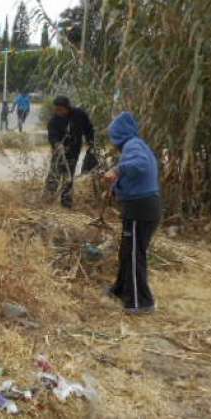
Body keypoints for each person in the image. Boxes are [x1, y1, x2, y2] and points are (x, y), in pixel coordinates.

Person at [104, 112, 162, 315]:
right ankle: (121, 290)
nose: (113, 142)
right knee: (127, 252)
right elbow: (138, 174)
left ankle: (141, 302)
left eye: (113, 136)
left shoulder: (133, 145)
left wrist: (118, 171)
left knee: (135, 255)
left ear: (119, 134)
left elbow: (141, 166)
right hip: (140, 207)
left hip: (141, 209)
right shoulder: (136, 145)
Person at [44, 96, 95, 208]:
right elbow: (52, 135)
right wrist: (57, 144)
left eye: (61, 109)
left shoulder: (79, 115)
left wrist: (90, 142)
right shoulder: (54, 121)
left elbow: (89, 128)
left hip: (74, 150)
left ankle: (66, 202)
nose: (58, 112)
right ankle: (47, 199)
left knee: (69, 175)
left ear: (67, 108)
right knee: (54, 173)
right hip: (59, 152)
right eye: (56, 109)